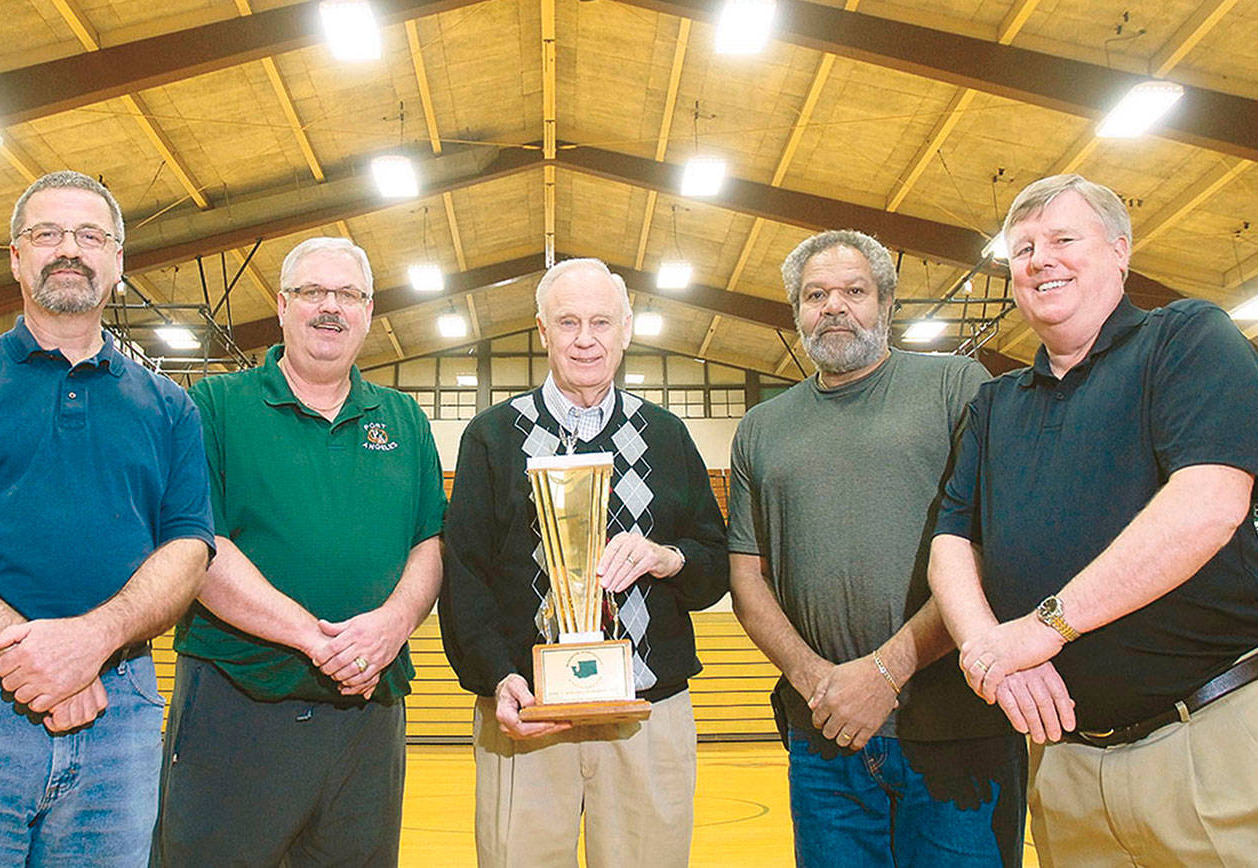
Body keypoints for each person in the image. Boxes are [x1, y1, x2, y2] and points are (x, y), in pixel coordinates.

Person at [930, 174, 1258, 865]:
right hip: (1065, 761)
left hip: (1205, 740)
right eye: (1022, 249)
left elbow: (1209, 503)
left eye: (1062, 239)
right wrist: (991, 651)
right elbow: (952, 541)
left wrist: (1040, 629)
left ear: (1119, 250)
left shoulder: (1186, 338)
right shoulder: (995, 405)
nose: (1039, 260)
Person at [727, 230, 1025, 867]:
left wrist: (885, 673)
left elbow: (987, 546)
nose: (834, 306)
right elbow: (748, 580)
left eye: (854, 291)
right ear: (798, 313)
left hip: (955, 730)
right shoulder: (760, 428)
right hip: (824, 734)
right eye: (815, 295)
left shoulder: (956, 385)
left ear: (887, 304)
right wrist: (819, 684)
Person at [153, 237, 447, 866]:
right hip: (238, 704)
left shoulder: (403, 418)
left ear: (368, 312)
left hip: (369, 713)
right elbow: (199, 545)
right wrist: (319, 641)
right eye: (313, 291)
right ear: (283, 306)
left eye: (348, 294)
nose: (330, 307)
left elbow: (429, 541)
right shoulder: (215, 406)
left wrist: (393, 624)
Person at [0, 170, 214, 865]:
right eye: (47, 233)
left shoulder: (171, 407)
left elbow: (188, 547)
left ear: (117, 262)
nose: (69, 249)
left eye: (90, 236)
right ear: (16, 258)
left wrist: (92, 642)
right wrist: (31, 656)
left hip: (121, 709)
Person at [439, 257, 728, 867]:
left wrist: (667, 557)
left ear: (626, 329)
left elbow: (713, 564)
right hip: (526, 713)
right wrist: (497, 678)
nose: (585, 339)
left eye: (601, 322)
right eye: (568, 322)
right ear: (543, 331)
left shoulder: (667, 435)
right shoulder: (492, 437)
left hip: (646, 713)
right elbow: (463, 577)